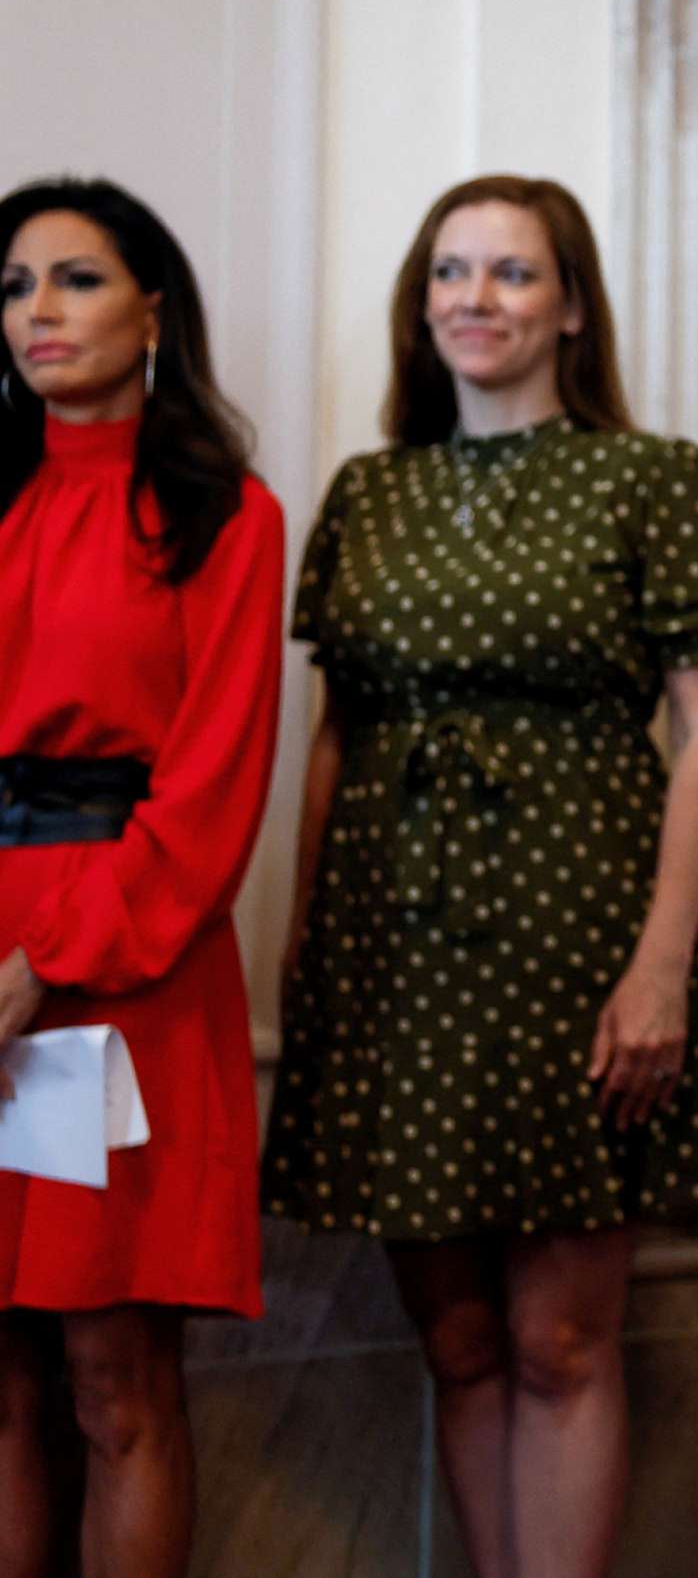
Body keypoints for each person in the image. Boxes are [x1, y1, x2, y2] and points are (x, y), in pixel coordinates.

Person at [261, 175, 698, 1578]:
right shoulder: (368, 490)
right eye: (451, 272)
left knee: (557, 1337)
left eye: (512, 273)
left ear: (573, 305)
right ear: (420, 305)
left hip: (580, 931)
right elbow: (335, 731)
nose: (475, 298)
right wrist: (305, 936)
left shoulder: (652, 475)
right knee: (462, 1338)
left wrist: (664, 961)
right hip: (392, 942)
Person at [0, 178, 284, 1578]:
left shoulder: (225, 512)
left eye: (75, 278)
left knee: (117, 1384)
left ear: (154, 306)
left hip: (122, 976)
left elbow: (212, 789)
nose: (36, 311)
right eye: (13, 287)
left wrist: (34, 966)